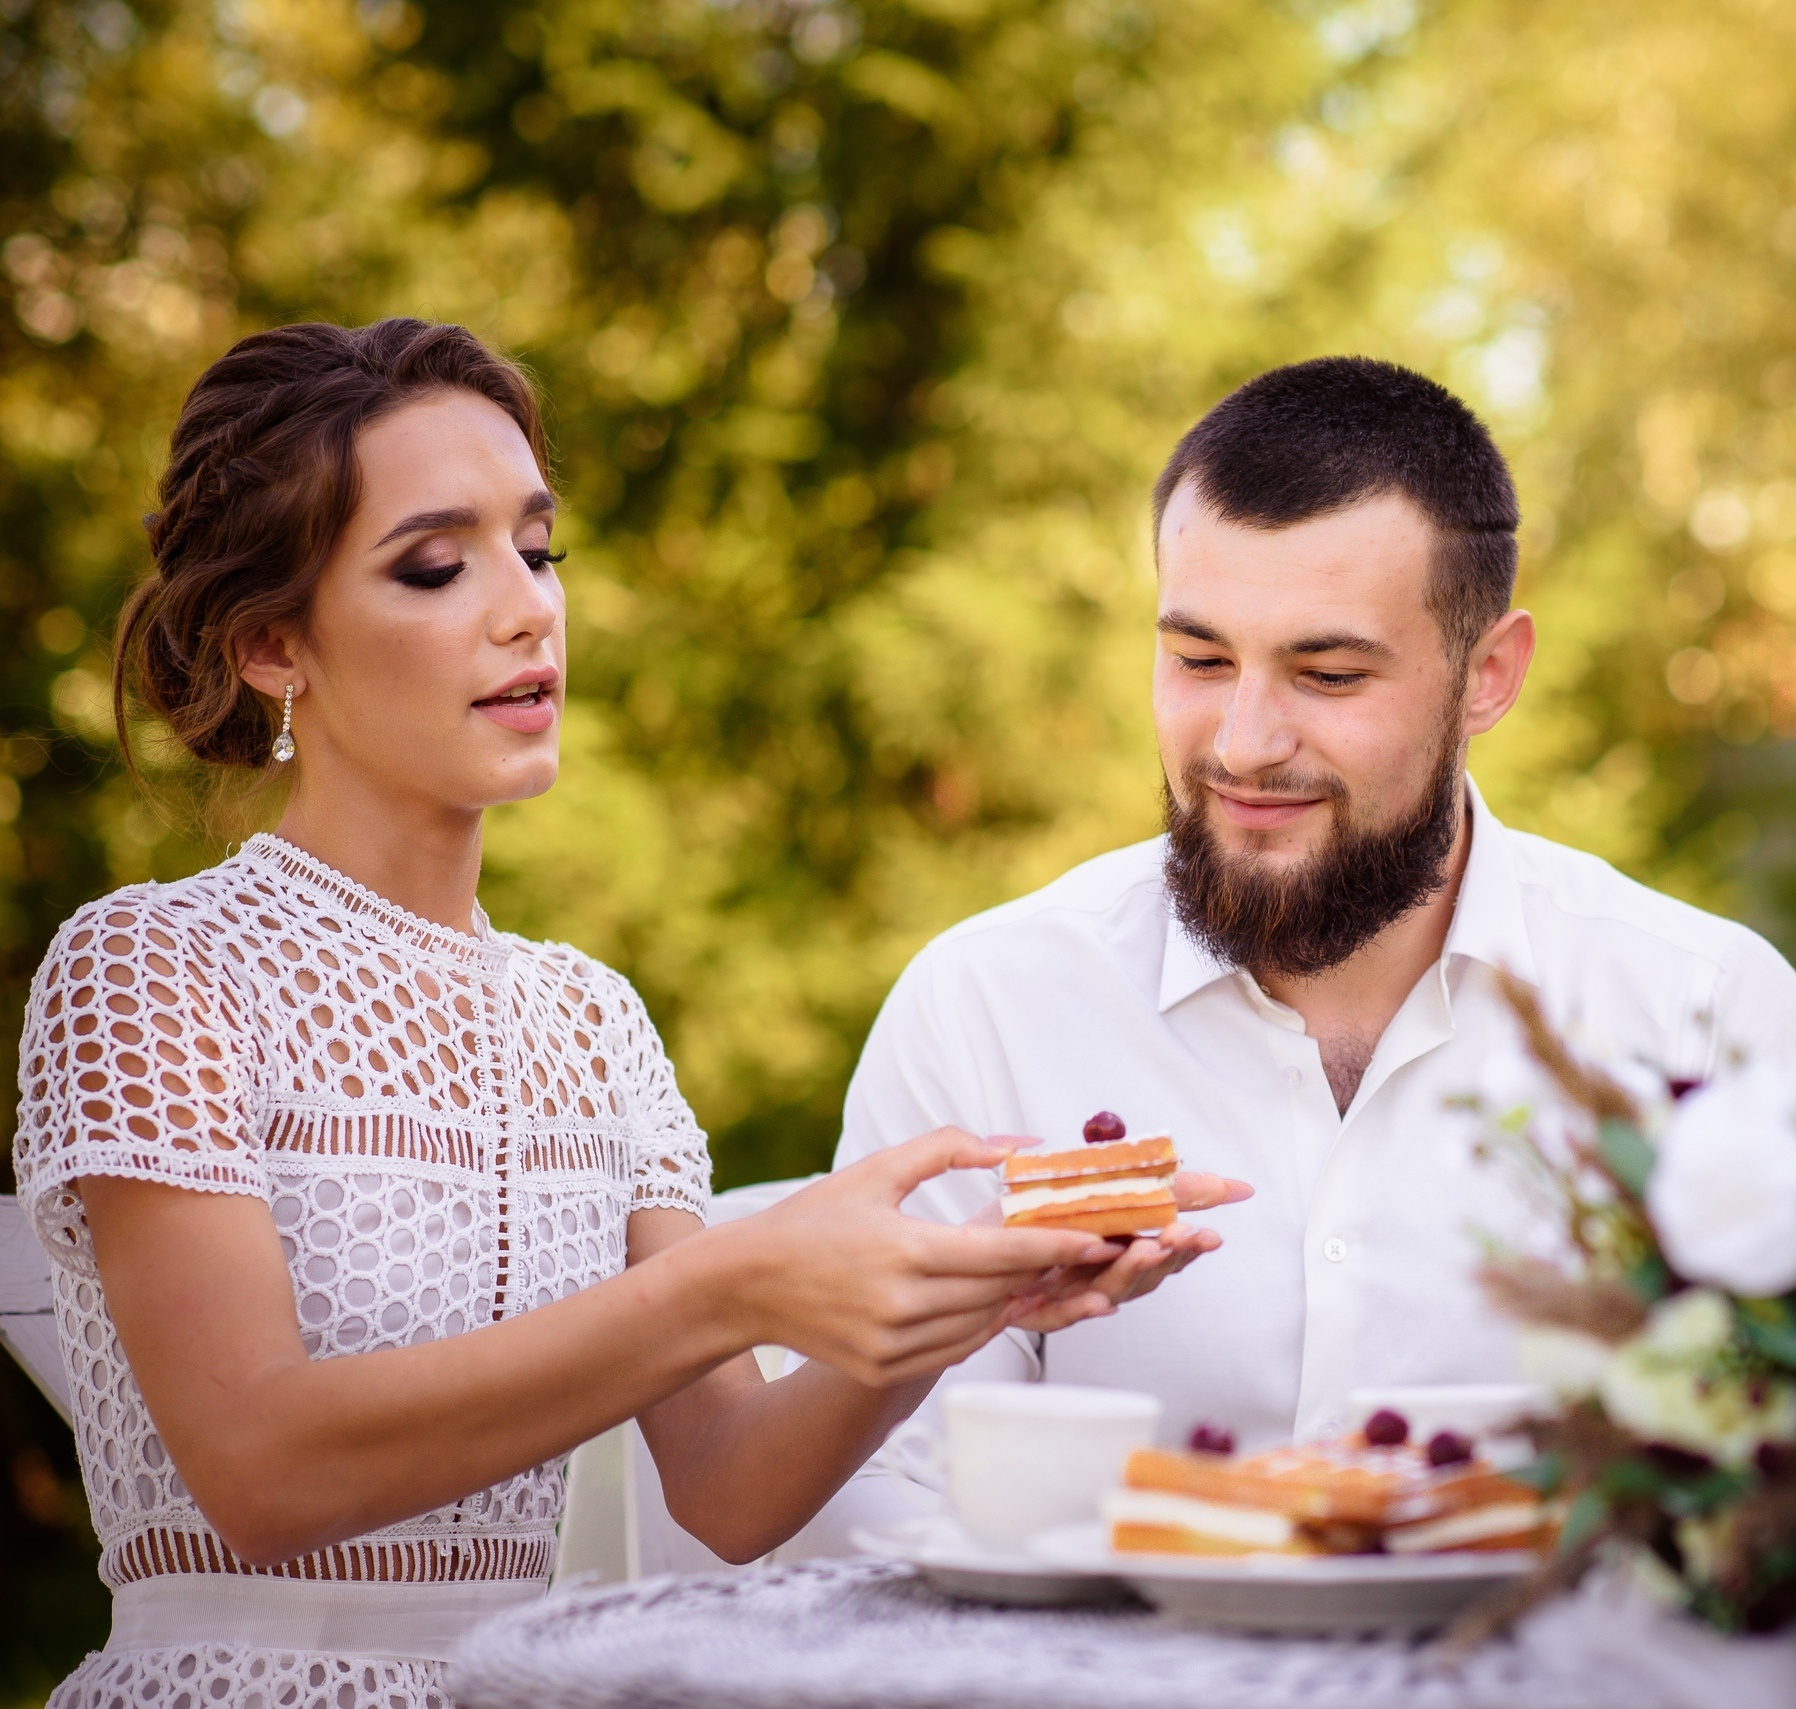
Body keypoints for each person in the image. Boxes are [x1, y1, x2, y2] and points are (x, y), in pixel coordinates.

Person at [11, 318, 1235, 1709]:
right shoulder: (150, 967)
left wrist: (967, 1296)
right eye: (434, 564)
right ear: (272, 645)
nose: (528, 606)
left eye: (537, 550)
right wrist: (735, 1277)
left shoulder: (588, 1019)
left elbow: (729, 1482)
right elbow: (260, 1470)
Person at [826, 356, 1796, 1525]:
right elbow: (890, 1502)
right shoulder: (983, 1004)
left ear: (1487, 676)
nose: (1244, 741)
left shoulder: (1705, 1015)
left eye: (1329, 672)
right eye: (1199, 659)